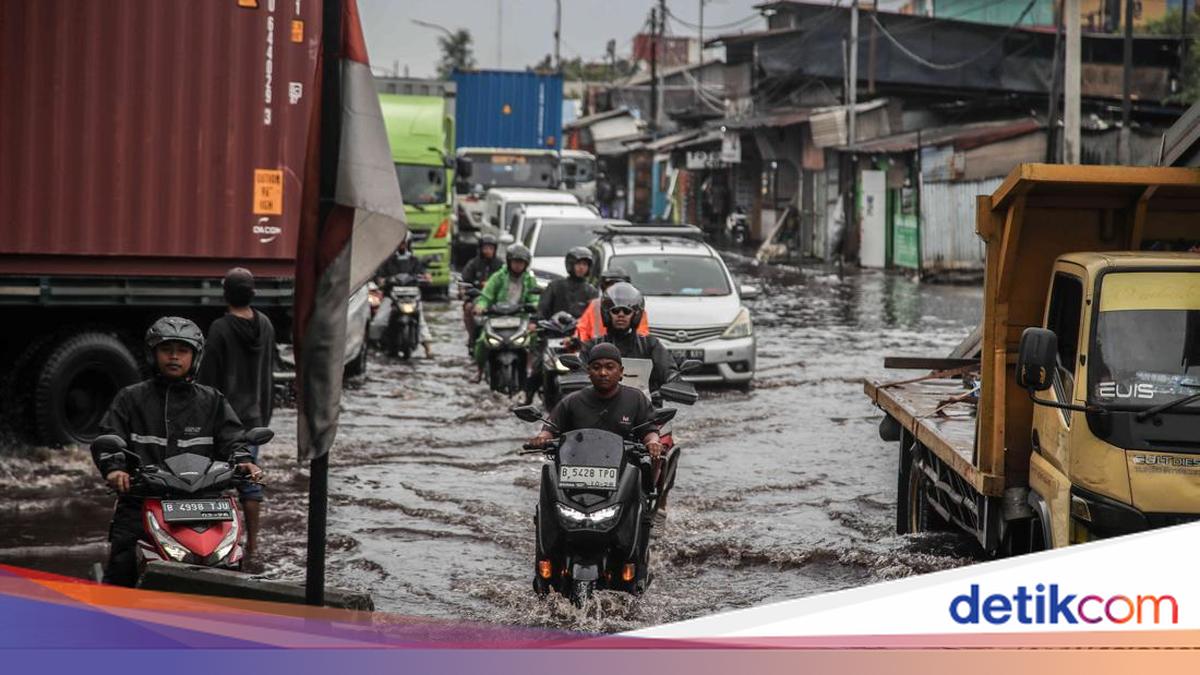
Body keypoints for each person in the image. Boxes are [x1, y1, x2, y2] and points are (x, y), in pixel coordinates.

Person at [92, 316, 260, 587]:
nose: (174, 357)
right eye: (166, 350)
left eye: (182, 351)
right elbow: (108, 439)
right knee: (121, 568)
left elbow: (234, 441)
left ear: (194, 357)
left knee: (231, 564)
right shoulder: (130, 398)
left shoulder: (212, 400)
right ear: (153, 354)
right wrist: (115, 469)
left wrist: (245, 462)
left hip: (205, 502)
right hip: (142, 499)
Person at [196, 268, 274, 569]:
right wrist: (264, 415)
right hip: (254, 418)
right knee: (249, 482)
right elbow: (268, 374)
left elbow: (208, 380)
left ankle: (220, 543)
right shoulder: (265, 325)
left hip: (224, 420)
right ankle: (253, 545)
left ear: (225, 293)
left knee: (214, 482)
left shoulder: (219, 329)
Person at [527, 342, 663, 458]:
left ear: (621, 372)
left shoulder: (636, 398)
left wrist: (653, 442)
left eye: (609, 367)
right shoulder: (572, 401)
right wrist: (542, 438)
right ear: (588, 372)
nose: (603, 373)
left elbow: (649, 431)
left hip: (624, 466)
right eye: (596, 368)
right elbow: (550, 428)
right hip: (577, 465)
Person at [525, 246, 597, 403]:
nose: (581, 267)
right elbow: (542, 308)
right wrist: (535, 322)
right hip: (553, 335)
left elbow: (596, 317)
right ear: (570, 265)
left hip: (580, 339)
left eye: (585, 264)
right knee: (538, 367)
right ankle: (527, 398)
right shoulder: (555, 286)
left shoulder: (591, 291)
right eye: (578, 264)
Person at [579, 282, 675, 391]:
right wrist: (576, 376)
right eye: (615, 311)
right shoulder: (591, 346)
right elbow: (580, 371)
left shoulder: (650, 345)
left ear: (636, 315)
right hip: (601, 403)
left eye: (626, 311)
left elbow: (668, 371)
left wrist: (675, 380)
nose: (621, 314)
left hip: (645, 404)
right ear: (606, 314)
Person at [472, 243, 539, 382]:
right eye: (515, 262)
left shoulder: (529, 279)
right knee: (481, 342)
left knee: (534, 337)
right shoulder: (498, 277)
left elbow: (535, 298)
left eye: (521, 262)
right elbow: (486, 296)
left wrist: (534, 306)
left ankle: (529, 368)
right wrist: (481, 306)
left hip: (520, 318)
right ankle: (479, 370)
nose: (518, 265)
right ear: (509, 261)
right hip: (497, 317)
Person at [375, 234, 434, 358]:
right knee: (379, 321)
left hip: (412, 297)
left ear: (408, 244)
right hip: (392, 297)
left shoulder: (414, 261)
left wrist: (426, 277)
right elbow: (379, 277)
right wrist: (383, 281)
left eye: (403, 243)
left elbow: (424, 274)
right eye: (399, 243)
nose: (401, 246)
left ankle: (428, 348)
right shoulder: (387, 261)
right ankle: (376, 345)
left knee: (421, 320)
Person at [575, 267, 649, 343]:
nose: (621, 314)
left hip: (629, 350)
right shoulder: (595, 305)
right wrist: (583, 345)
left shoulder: (635, 306)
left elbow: (642, 334)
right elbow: (582, 330)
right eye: (609, 285)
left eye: (626, 311)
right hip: (597, 349)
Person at [461, 233, 503, 354]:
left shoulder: (500, 265)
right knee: (468, 308)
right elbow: (464, 280)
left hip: (496, 299)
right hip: (477, 296)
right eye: (486, 248)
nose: (488, 251)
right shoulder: (474, 264)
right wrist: (465, 291)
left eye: (491, 248)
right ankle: (472, 337)